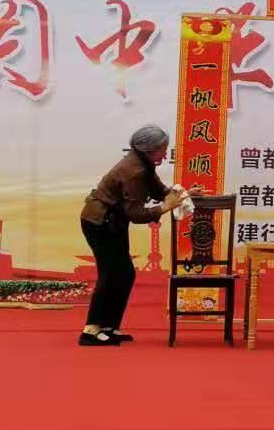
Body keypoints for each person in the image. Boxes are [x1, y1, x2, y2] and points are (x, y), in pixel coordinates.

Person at [78, 126, 200, 346]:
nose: (165, 154)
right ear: (149, 149)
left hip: (112, 222)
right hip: (100, 222)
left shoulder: (143, 163)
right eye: (162, 149)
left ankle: (109, 327)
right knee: (110, 275)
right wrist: (166, 207)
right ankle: (91, 331)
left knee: (125, 274)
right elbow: (136, 215)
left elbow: (159, 191)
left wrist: (184, 194)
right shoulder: (134, 171)